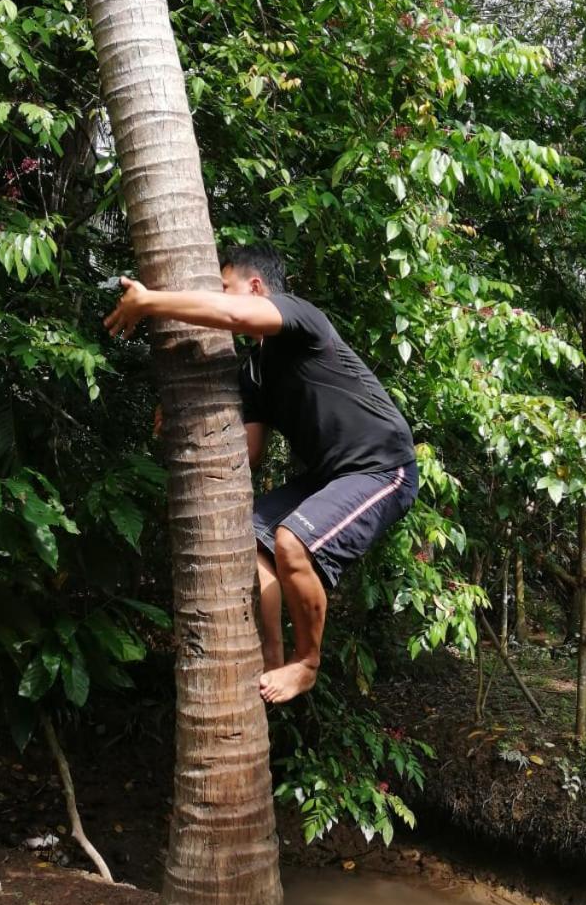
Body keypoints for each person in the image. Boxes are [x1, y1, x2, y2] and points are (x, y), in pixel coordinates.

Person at [103, 243, 418, 703]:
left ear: (255, 287)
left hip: (382, 468)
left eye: (226, 287)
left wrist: (150, 302)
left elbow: (234, 316)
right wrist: (179, 417)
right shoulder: (255, 373)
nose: (223, 297)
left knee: (292, 542)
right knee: (248, 535)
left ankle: (307, 664)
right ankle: (272, 657)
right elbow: (247, 453)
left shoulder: (300, 317)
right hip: (328, 476)